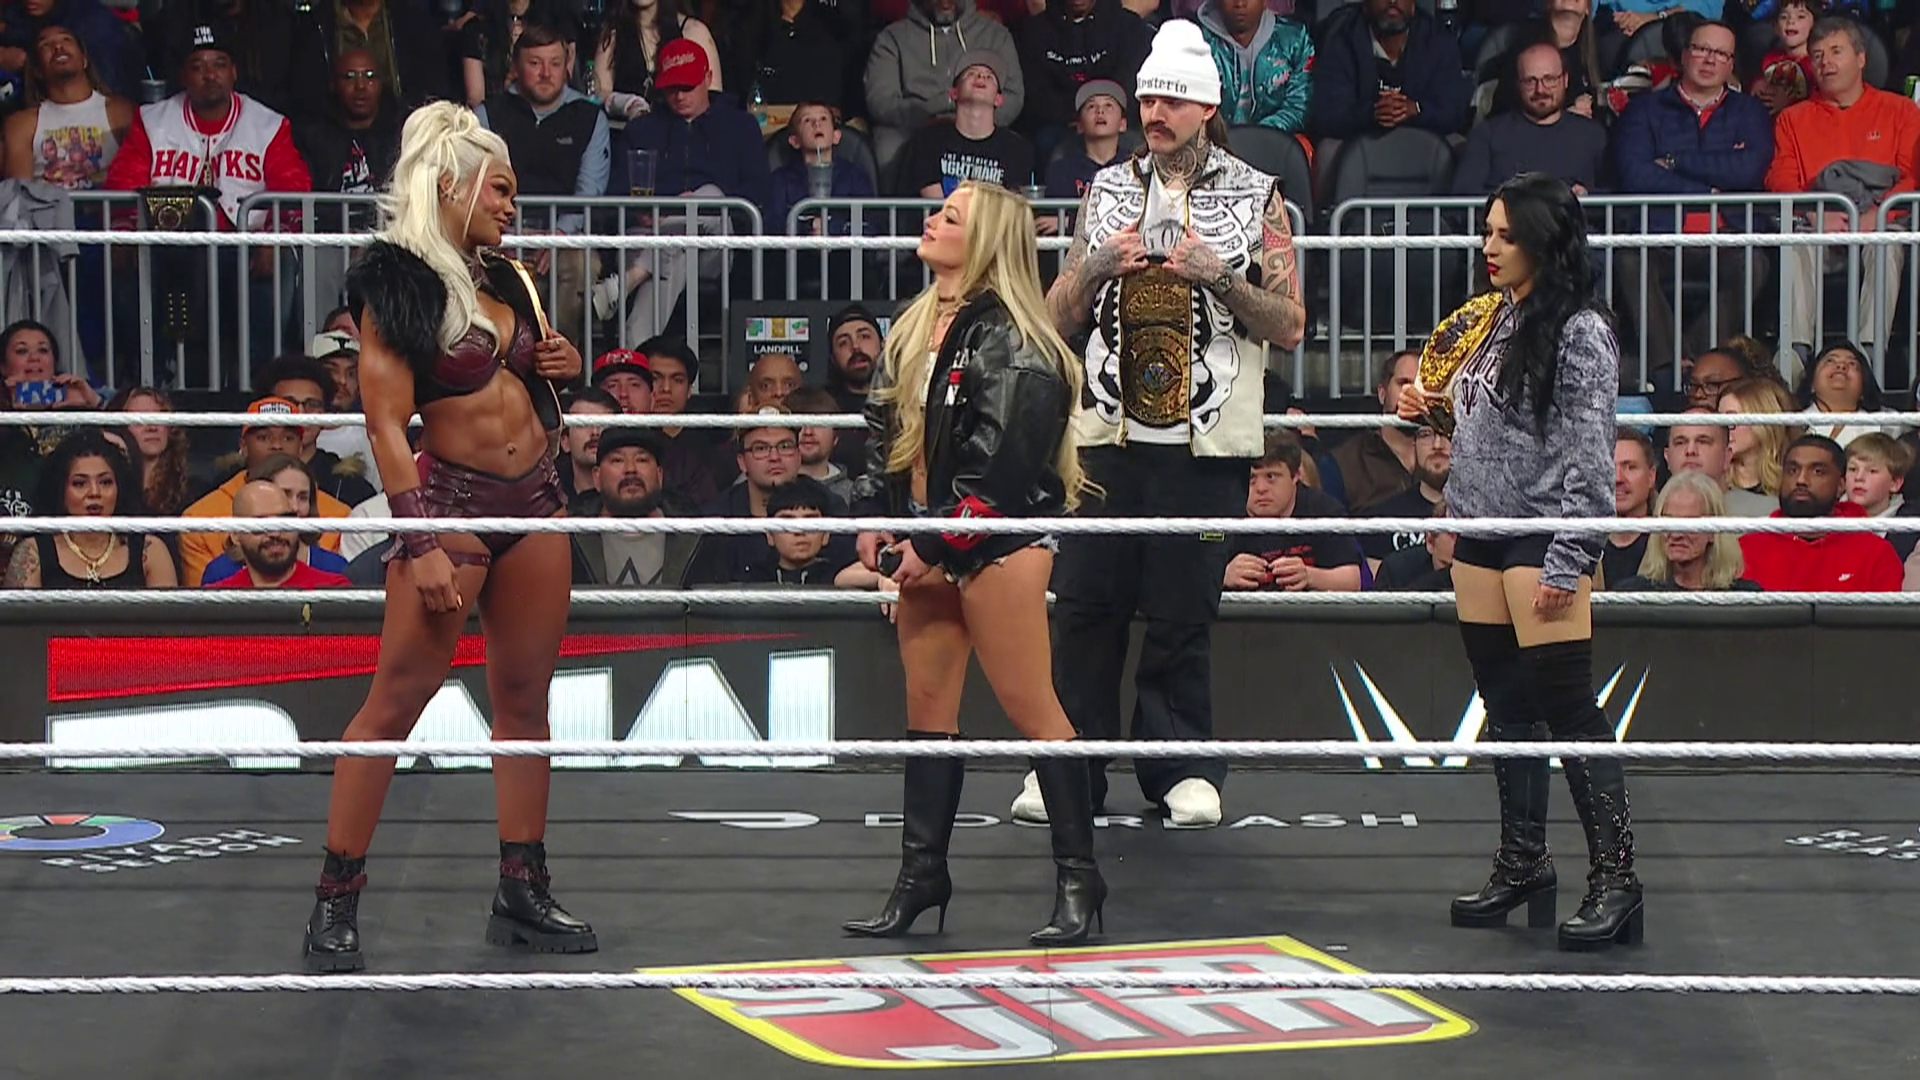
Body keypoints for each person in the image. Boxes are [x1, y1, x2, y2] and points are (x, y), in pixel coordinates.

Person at [304, 102, 592, 974]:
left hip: (536, 501)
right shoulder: (393, 282)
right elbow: (385, 424)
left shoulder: (509, 280)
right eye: (499, 188)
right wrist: (420, 539)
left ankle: (522, 887)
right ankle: (335, 900)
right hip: (453, 505)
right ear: (452, 186)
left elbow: (535, 388)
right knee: (395, 703)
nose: (511, 204)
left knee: (526, 701)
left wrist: (561, 365)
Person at [1036, 19, 1304, 829]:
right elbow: (1054, 316)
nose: (1156, 111)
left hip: (1205, 442)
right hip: (1106, 435)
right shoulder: (1105, 189)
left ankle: (1182, 766)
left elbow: (1291, 324)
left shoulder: (1257, 194)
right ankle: (1066, 766)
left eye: (1174, 99)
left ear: (1207, 108)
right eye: (1150, 96)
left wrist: (1219, 276)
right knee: (1085, 608)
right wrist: (1097, 265)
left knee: (1184, 611)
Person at [844, 181, 1104, 946]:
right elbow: (882, 434)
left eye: (950, 217)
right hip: (928, 533)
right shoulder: (914, 325)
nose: (931, 221)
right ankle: (921, 877)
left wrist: (929, 546)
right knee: (928, 711)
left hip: (997, 541)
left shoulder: (1019, 343)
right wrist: (878, 520)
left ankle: (1080, 879)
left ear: (984, 240)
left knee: (1033, 710)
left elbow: (1002, 472)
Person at [1398, 172, 1642, 951]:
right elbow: (1500, 427)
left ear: (1543, 238)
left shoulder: (1581, 330)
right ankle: (1524, 862)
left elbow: (1589, 457)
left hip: (1542, 532)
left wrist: (1570, 557)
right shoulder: (1497, 318)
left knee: (1568, 707)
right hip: (1481, 531)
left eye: (1505, 234)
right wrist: (1436, 415)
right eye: (1487, 232)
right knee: (1505, 706)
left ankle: (1617, 879)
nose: (1489, 247)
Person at [1, 429, 174, 589]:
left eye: (105, 482)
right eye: (80, 483)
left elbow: (168, 613)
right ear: (60, 490)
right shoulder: (32, 553)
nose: (94, 493)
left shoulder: (151, 551)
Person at [1738, 435, 1904, 591]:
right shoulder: (1746, 549)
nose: (1801, 480)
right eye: (1792, 470)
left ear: (1841, 485)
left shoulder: (1876, 555)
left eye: (1817, 471)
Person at [2, 25, 133, 188]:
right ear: (37, 71)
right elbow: (19, 194)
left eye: (66, 39)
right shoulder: (21, 125)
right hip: (45, 204)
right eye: (45, 45)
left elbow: (134, 182)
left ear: (84, 60)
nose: (58, 46)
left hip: (106, 204)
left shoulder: (122, 112)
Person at [200, 455, 353, 585]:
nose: (294, 507)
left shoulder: (335, 584)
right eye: (285, 494)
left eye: (303, 497)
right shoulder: (217, 588)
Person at [1613, 470, 1758, 591]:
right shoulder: (1634, 595)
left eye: (1688, 524)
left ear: (1713, 532)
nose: (1676, 534)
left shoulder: (1744, 599)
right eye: (1669, 522)